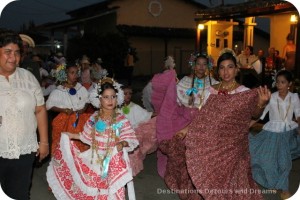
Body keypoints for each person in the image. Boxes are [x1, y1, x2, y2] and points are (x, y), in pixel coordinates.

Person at [151, 48, 271, 199]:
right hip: (212, 143)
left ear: (237, 70)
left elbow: (254, 115)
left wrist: (261, 103)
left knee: (233, 181)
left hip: (234, 145)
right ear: (217, 71)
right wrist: (186, 130)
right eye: (222, 68)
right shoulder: (211, 91)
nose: (226, 72)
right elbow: (204, 117)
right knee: (209, 175)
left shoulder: (244, 92)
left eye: (230, 67)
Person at [47, 77, 139, 200]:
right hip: (94, 159)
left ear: (117, 98)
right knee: (94, 190)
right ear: (99, 100)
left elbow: (131, 139)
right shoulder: (94, 118)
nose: (110, 100)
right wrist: (71, 135)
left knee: (111, 193)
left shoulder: (120, 119)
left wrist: (122, 143)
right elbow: (87, 136)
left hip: (113, 161)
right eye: (106, 97)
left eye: (113, 96)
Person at [0, 29, 49, 199]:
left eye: (17, 53)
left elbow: (40, 109)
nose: (13, 58)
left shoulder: (28, 77)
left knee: (20, 194)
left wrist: (44, 142)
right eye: (7, 52)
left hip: (24, 149)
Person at [249, 70, 300, 199]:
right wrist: (247, 125)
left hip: (288, 133)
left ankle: (284, 188)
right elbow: (261, 114)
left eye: (283, 82)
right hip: (271, 133)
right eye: (277, 82)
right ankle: (276, 185)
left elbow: (298, 115)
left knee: (284, 162)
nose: (279, 85)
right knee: (268, 161)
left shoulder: (294, 97)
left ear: (289, 83)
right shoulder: (271, 97)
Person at [46, 64, 90, 155]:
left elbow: (87, 100)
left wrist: (84, 108)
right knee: (65, 147)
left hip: (80, 119)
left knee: (80, 145)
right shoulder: (58, 91)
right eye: (72, 73)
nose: (75, 75)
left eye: (76, 73)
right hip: (65, 120)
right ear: (65, 74)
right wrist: (63, 110)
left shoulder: (80, 88)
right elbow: (49, 105)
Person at [119, 85, 157, 176]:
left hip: (133, 134)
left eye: (130, 93)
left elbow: (147, 115)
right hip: (119, 134)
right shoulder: (115, 107)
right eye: (125, 94)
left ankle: (131, 172)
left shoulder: (134, 107)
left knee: (134, 151)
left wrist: (161, 114)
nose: (128, 96)